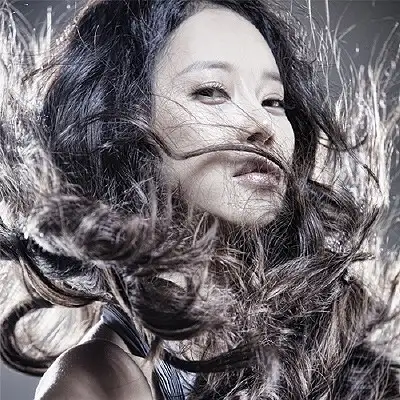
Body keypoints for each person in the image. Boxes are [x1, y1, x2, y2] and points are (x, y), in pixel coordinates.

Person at [0, 0, 399, 399]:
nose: (263, 124)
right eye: (211, 92)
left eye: (273, 101)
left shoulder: (323, 327)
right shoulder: (97, 380)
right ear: (117, 127)